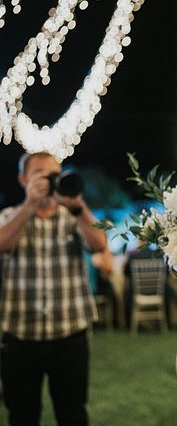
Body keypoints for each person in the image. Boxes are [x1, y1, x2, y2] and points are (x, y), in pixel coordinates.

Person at [0, 152, 107, 426]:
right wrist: (29, 205)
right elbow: (3, 244)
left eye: (54, 174)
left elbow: (99, 244)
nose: (49, 180)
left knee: (73, 415)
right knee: (21, 416)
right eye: (41, 174)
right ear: (23, 179)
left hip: (70, 335)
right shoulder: (10, 215)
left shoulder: (72, 216)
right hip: (21, 337)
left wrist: (77, 206)